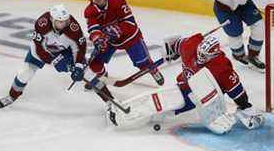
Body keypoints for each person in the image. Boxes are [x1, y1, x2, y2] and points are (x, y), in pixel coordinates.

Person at [107, 33, 265, 134]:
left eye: (206, 56)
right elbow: (175, 43)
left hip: (200, 94)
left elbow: (237, 91)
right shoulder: (190, 46)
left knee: (170, 105)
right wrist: (169, 50)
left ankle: (130, 114)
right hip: (183, 84)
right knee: (162, 102)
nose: (201, 58)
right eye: (200, 54)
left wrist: (245, 106)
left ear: (215, 53)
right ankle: (123, 110)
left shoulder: (222, 67)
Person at [0, 4, 114, 109]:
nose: (64, 24)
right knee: (25, 73)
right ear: (52, 19)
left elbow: (80, 46)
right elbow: (39, 48)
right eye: (60, 21)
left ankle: (110, 100)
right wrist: (54, 61)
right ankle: (12, 96)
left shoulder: (73, 27)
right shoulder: (42, 24)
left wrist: (78, 65)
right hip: (40, 53)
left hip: (65, 51)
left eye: (65, 21)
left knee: (88, 73)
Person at [83, 0, 164, 89]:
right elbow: (93, 29)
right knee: (94, 62)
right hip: (109, 40)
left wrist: (118, 29)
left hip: (130, 37)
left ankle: (153, 70)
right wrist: (97, 39)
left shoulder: (117, 0)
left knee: (143, 63)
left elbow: (130, 23)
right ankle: (101, 77)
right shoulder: (89, 11)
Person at [208, 0, 273, 70]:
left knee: (259, 26)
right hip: (224, 7)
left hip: (244, 3)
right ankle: (238, 55)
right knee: (235, 34)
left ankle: (253, 55)